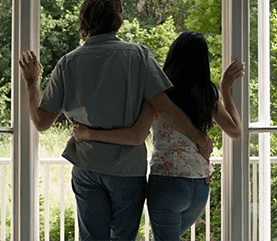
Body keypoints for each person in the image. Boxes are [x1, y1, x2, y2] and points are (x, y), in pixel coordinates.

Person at [18, 0, 213, 241]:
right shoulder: (138, 56)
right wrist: (200, 137)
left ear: (84, 19)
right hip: (127, 170)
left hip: (87, 164)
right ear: (118, 20)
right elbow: (164, 107)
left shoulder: (68, 63)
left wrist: (32, 81)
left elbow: (41, 122)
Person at [72, 31, 245, 241]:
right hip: (199, 187)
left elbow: (136, 135)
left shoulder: (158, 95)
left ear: (172, 56)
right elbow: (236, 130)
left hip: (167, 184)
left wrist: (89, 133)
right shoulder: (209, 93)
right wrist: (225, 87)